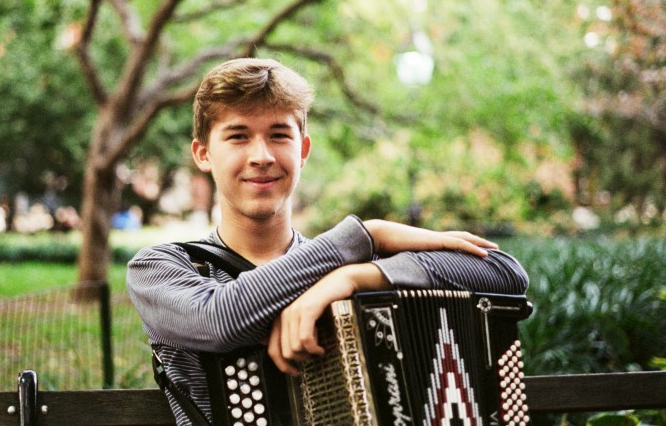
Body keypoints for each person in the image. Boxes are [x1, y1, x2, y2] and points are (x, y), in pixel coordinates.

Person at [127, 58, 529, 425]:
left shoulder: (345, 267)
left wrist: (350, 279)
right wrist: (368, 234)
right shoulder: (160, 268)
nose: (262, 155)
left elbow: (505, 273)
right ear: (202, 154)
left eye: (279, 135)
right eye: (238, 136)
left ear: (302, 150)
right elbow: (219, 318)